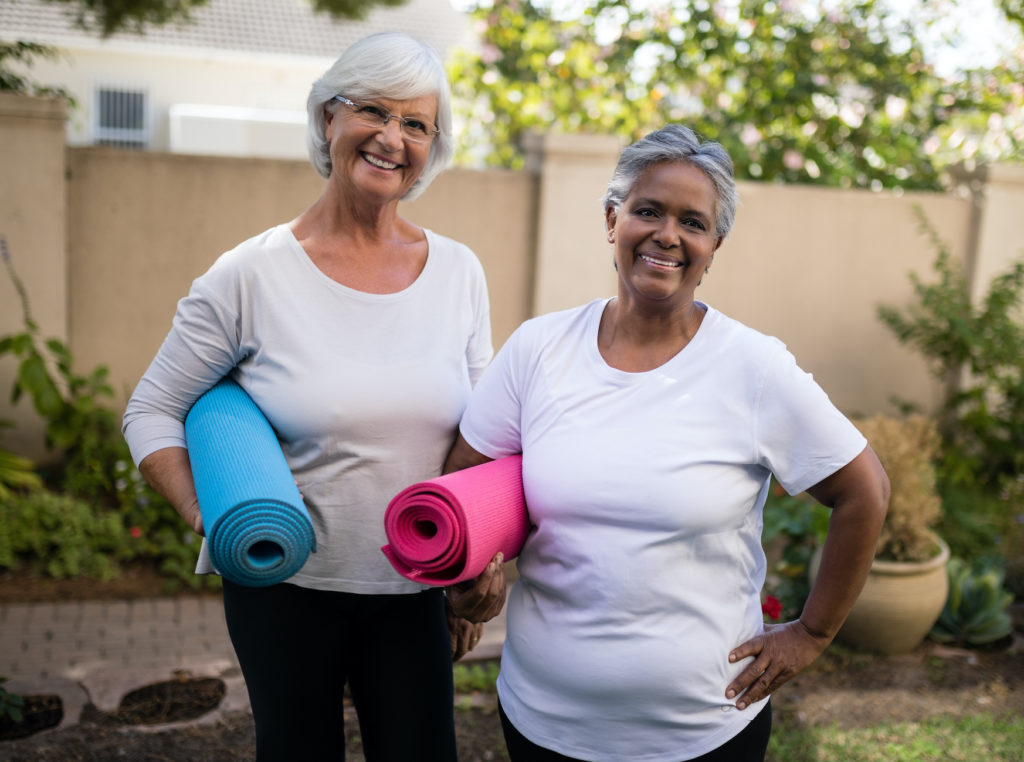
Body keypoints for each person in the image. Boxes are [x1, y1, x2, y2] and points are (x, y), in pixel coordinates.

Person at [444, 124, 891, 762]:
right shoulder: (539, 350)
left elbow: (864, 491)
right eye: (647, 210)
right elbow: (465, 485)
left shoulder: (753, 367)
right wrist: (466, 585)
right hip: (545, 723)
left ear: (714, 246)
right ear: (611, 219)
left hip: (703, 732)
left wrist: (813, 634)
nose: (667, 235)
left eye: (693, 222)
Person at [122, 32, 495, 762]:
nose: (392, 138)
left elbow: (483, 432)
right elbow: (151, 410)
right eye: (373, 111)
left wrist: (475, 557)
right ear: (330, 117)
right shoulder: (250, 275)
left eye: (416, 124)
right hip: (285, 591)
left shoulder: (459, 273)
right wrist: (208, 513)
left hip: (413, 588)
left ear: (431, 148)